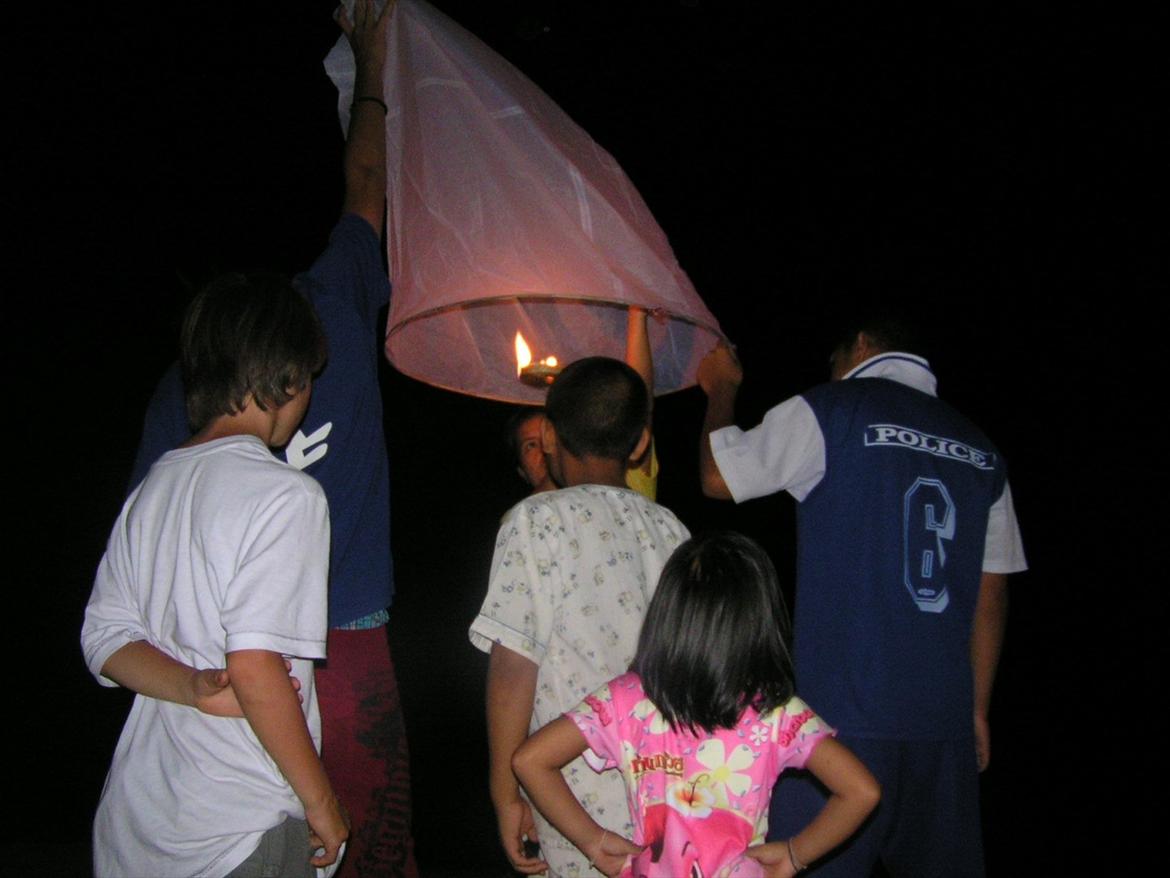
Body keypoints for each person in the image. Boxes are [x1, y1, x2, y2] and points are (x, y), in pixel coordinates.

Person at [119, 3, 418, 876]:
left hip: (217, 668)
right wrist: (372, 64)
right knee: (358, 842)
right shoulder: (331, 306)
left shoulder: (177, 395)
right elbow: (367, 180)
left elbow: (128, 591)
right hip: (325, 647)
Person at [698, 318, 1027, 876]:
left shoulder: (834, 410)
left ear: (862, 345)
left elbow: (718, 476)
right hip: (942, 725)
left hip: (836, 727)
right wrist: (976, 709)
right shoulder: (982, 450)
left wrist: (720, 388)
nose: (832, 370)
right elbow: (991, 590)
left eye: (834, 359)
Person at [83, 273, 348, 877]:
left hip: (141, 821)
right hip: (238, 822)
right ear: (288, 377)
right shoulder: (287, 495)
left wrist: (191, 686)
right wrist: (322, 801)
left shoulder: (153, 488)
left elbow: (104, 639)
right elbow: (254, 666)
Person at [513, 532, 881, 878]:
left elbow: (529, 760)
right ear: (759, 624)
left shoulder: (626, 699)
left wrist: (594, 842)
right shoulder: (776, 713)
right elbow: (862, 792)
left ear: (665, 615)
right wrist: (794, 855)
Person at [470, 356, 690, 877]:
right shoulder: (673, 530)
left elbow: (513, 668)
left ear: (548, 436)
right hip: (672, 789)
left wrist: (505, 793)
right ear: (639, 443)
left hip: (570, 797)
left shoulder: (536, 521)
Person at [506, 306, 660, 500]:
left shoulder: (621, 474)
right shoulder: (525, 516)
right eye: (530, 445)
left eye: (559, 430)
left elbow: (636, 403)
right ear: (522, 471)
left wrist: (637, 315)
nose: (543, 447)